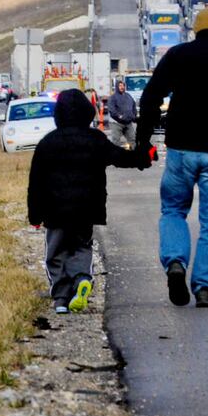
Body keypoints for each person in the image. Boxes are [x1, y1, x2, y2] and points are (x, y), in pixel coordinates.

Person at [136, 6, 208, 309]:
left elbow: (151, 96)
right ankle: (204, 289)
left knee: (173, 210)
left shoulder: (177, 56)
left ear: (195, 29)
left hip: (181, 149)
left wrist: (142, 139)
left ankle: (175, 262)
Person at [28, 89, 150, 314]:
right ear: (87, 112)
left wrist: (35, 214)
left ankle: (61, 298)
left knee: (56, 253)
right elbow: (120, 158)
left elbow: (36, 182)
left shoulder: (47, 143)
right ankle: (82, 279)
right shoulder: (95, 139)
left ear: (58, 115)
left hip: (55, 211)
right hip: (86, 208)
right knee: (81, 246)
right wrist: (144, 156)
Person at [107, 79, 138, 148]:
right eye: (120, 85)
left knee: (133, 140)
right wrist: (119, 116)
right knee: (116, 142)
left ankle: (135, 157)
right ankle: (116, 158)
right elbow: (112, 110)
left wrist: (133, 115)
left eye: (123, 85)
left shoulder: (128, 96)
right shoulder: (113, 97)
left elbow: (133, 105)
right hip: (116, 123)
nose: (122, 87)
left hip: (128, 123)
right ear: (116, 87)